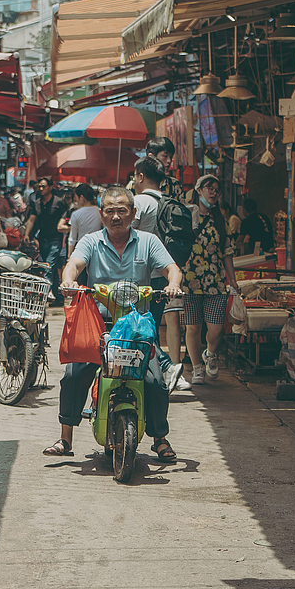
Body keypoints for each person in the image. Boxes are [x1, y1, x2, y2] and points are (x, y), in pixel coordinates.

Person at [43, 187, 183, 462]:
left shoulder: (148, 241)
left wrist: (173, 285)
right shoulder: (91, 241)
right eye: (110, 211)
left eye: (122, 210)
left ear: (133, 213)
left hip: (137, 327)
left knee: (155, 381)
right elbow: (73, 264)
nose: (116, 216)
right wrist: (70, 280)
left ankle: (160, 439)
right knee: (74, 374)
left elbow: (172, 268)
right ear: (101, 215)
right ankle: (65, 438)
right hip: (98, 325)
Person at [132, 158, 189, 391]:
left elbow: (127, 235)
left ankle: (166, 367)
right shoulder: (169, 202)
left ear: (140, 176)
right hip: (162, 277)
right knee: (149, 326)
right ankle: (157, 373)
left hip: (140, 277)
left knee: (137, 327)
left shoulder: (138, 202)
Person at [183, 174, 235, 385]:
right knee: (193, 327)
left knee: (215, 328)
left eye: (217, 190)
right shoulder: (187, 216)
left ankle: (210, 354)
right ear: (199, 190)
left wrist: (233, 281)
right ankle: (196, 368)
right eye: (209, 188)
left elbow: (228, 252)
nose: (213, 193)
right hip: (189, 280)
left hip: (216, 281)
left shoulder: (221, 221)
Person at [24, 177, 70, 305]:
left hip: (56, 239)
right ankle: (59, 297)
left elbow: (66, 217)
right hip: (42, 240)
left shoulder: (59, 202)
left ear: (51, 187)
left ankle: (43, 296)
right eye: (40, 186)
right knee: (51, 269)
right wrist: (27, 234)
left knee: (48, 267)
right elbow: (32, 220)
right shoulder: (37, 203)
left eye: (44, 186)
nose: (41, 189)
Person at [64, 183, 103, 256]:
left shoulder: (76, 214)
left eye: (76, 198)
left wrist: (69, 255)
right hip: (98, 249)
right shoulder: (100, 212)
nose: (76, 201)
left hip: (82, 249)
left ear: (81, 197)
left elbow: (72, 238)